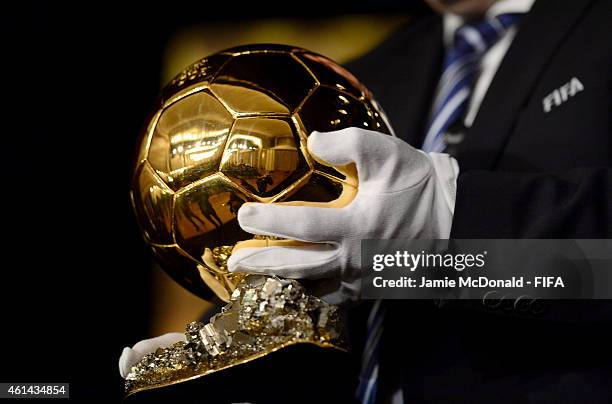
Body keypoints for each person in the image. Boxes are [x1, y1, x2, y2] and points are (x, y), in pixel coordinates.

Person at [121, 0, 612, 402]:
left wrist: (451, 225)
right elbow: (330, 277)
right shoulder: (349, 82)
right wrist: (253, 348)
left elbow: (598, 269)